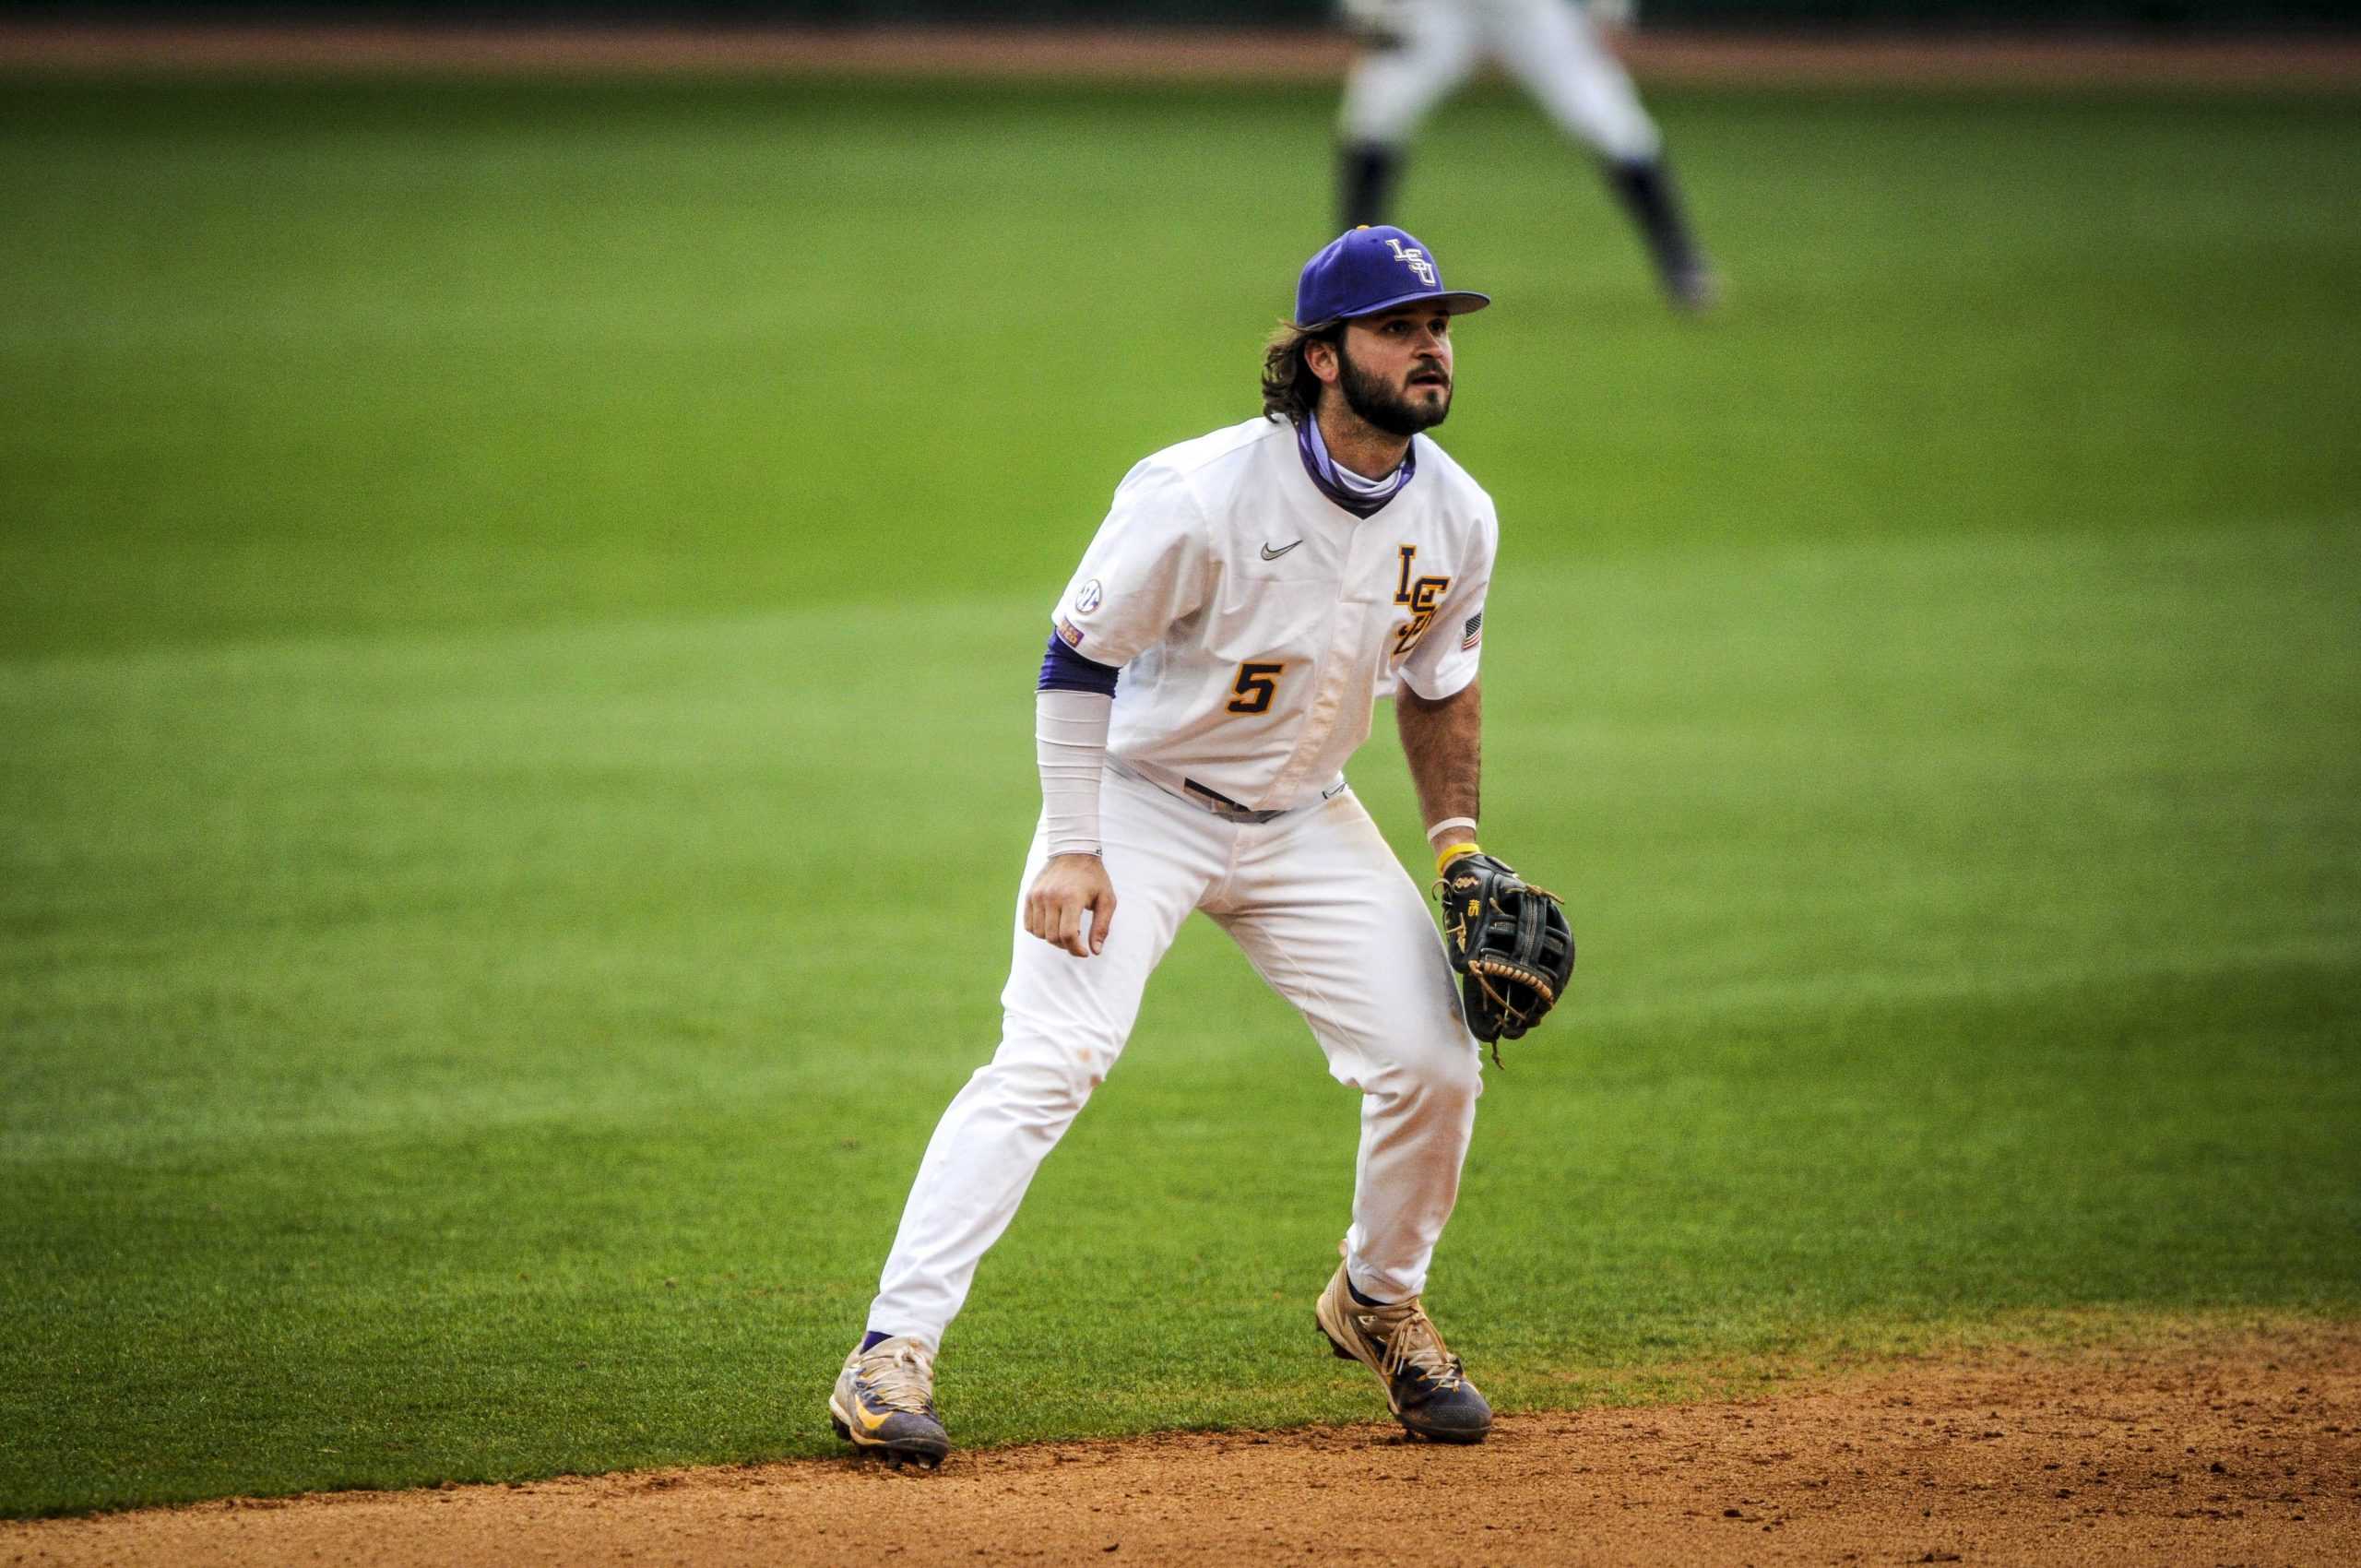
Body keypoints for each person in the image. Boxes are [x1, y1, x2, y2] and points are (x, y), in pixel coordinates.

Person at [829, 226, 1545, 1467]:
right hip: (1142, 802)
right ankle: (890, 1351)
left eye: (1440, 327)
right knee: (1054, 1058)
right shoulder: (1203, 492)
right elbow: (1078, 655)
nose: (1431, 348)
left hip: (1307, 819)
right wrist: (1070, 846)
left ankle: (1377, 1301)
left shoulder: (1460, 513)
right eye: (1400, 327)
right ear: (1323, 358)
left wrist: (1459, 849)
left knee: (1435, 1064)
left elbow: (1441, 683)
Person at [1336, 0, 1717, 313]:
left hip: (1528, 11)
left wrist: (1610, 10)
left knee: (1613, 123)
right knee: (1375, 114)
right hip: (1438, 10)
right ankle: (1350, 267)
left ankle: (1681, 264)